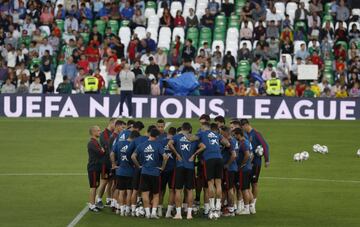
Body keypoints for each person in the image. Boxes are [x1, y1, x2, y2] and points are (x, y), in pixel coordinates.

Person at [187, 122, 230, 219]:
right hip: (219, 158)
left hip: (209, 159)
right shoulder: (217, 134)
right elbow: (227, 144)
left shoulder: (202, 133)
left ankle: (211, 208)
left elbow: (191, 138)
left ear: (204, 127)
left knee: (210, 183)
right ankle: (218, 207)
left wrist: (184, 134)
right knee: (218, 183)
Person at [131, 128, 169, 219]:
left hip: (144, 172)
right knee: (156, 194)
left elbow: (133, 156)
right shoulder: (158, 145)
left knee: (145, 193)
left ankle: (147, 213)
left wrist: (139, 166)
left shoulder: (141, 145)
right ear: (156, 136)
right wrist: (163, 167)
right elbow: (165, 157)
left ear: (149, 135)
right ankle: (153, 213)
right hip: (155, 173)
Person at [168, 122, 199, 220]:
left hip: (180, 166)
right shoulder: (193, 138)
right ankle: (189, 214)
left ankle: (178, 214)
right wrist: (194, 155)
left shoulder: (177, 137)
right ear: (190, 129)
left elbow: (169, 144)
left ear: (181, 128)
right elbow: (203, 146)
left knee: (178, 190)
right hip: (190, 166)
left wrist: (176, 154)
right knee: (190, 190)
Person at [240, 119, 269, 214]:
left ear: (247, 125)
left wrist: (267, 159)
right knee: (246, 185)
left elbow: (265, 145)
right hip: (248, 164)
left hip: (256, 163)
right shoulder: (245, 135)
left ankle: (253, 205)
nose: (242, 129)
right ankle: (248, 205)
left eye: (243, 127)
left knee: (254, 183)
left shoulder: (256, 133)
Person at [111, 130, 140, 216]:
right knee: (129, 192)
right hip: (130, 172)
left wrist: (113, 163)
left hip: (120, 171)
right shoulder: (134, 145)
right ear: (135, 138)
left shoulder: (119, 143)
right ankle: (127, 210)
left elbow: (112, 153)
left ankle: (121, 210)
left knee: (121, 192)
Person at [96, 119, 116, 209]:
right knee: (104, 181)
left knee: (111, 182)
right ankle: (99, 199)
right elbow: (107, 146)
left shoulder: (113, 134)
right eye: (115, 124)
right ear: (111, 123)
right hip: (105, 162)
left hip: (111, 161)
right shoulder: (104, 134)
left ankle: (108, 199)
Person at [233, 128, 253, 215]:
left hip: (244, 170)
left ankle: (246, 209)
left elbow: (247, 155)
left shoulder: (243, 143)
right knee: (248, 189)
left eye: (235, 135)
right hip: (248, 168)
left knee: (244, 189)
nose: (234, 136)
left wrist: (242, 164)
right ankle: (251, 208)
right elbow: (251, 154)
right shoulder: (247, 141)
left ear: (238, 135)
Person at [219, 126, 237, 216]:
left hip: (229, 169)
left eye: (221, 132)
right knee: (225, 189)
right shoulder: (231, 140)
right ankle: (225, 208)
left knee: (229, 189)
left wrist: (227, 164)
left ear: (226, 133)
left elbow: (233, 155)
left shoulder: (230, 141)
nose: (220, 134)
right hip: (230, 169)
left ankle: (231, 210)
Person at [87, 125, 105, 212]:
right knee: (93, 186)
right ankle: (91, 205)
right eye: (98, 131)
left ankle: (92, 203)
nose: (100, 132)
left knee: (95, 185)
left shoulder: (95, 142)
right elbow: (101, 152)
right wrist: (102, 150)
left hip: (96, 167)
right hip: (93, 168)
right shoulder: (92, 143)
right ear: (93, 132)